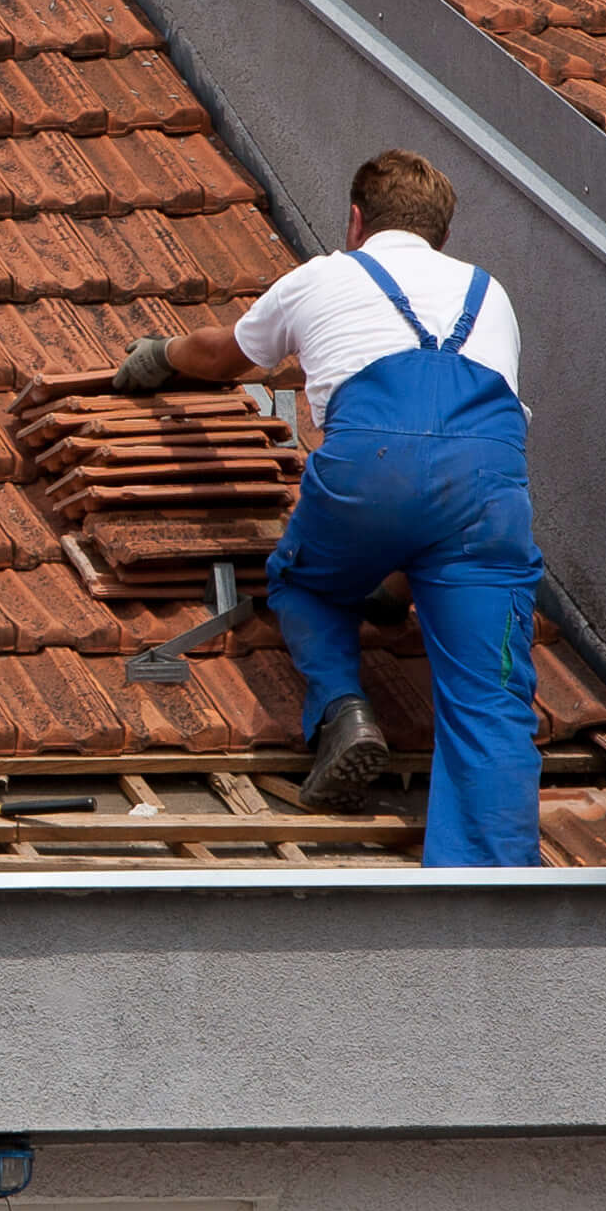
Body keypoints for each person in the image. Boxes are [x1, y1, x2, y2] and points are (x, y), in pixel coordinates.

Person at [108, 147, 544, 866]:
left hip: (370, 469)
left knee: (303, 579)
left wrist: (163, 354)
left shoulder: (327, 276)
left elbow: (225, 356)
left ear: (355, 219)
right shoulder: (488, 293)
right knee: (492, 701)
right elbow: (456, 452)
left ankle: (344, 710)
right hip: (487, 491)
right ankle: (495, 900)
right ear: (441, 231)